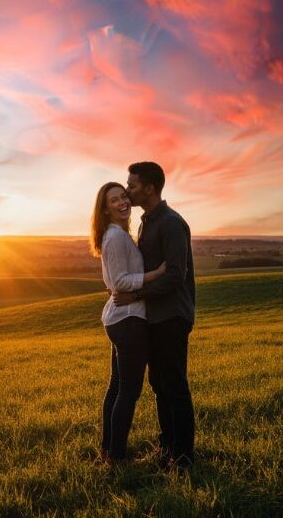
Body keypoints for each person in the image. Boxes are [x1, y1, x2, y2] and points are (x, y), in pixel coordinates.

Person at [114, 161, 196, 468]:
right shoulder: (146, 221)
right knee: (159, 384)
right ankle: (168, 448)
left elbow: (175, 276)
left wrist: (135, 295)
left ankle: (184, 456)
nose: (127, 190)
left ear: (149, 188)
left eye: (132, 185)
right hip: (155, 316)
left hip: (173, 316)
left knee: (174, 385)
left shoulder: (171, 223)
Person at [89, 182, 165, 464]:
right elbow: (120, 282)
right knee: (128, 391)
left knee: (117, 388)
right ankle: (117, 456)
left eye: (123, 197)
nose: (122, 202)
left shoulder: (116, 234)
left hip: (120, 319)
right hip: (129, 321)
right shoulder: (117, 237)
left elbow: (114, 280)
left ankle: (108, 450)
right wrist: (155, 274)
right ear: (105, 209)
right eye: (114, 200)